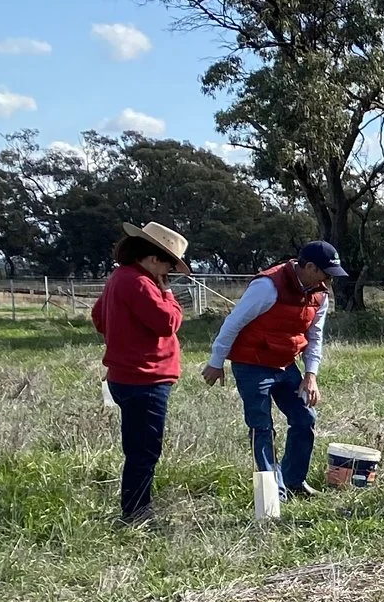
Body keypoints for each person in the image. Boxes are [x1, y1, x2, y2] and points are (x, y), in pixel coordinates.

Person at [200, 240, 349, 498]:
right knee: (262, 426)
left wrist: (311, 376)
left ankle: (293, 482)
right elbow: (233, 323)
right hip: (252, 365)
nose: (329, 281)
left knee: (305, 419)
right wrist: (216, 362)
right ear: (310, 267)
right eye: (326, 273)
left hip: (285, 364)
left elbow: (315, 336)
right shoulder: (267, 286)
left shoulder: (320, 293)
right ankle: (271, 494)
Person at [91, 221, 190, 526]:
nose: (168, 274)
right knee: (144, 450)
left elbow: (98, 318)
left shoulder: (120, 277)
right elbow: (167, 323)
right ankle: (136, 512)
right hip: (144, 379)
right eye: (168, 266)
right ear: (153, 258)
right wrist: (169, 295)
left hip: (127, 375)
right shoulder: (141, 283)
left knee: (139, 447)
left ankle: (136, 507)